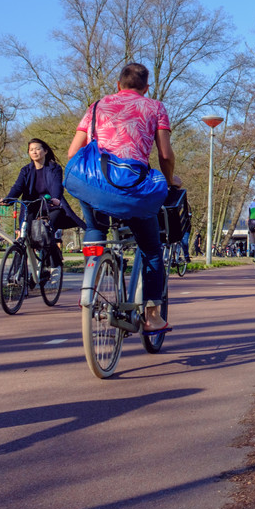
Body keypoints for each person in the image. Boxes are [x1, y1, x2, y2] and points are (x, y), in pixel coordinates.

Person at [67, 63, 175, 334]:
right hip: (132, 190)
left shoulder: (96, 106)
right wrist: (171, 180)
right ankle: (152, 316)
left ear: (118, 84)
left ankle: (89, 287)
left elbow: (72, 152)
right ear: (146, 87)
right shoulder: (155, 107)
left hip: (93, 183)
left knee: (95, 229)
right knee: (151, 249)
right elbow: (164, 154)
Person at [0, 138, 84, 275]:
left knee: (46, 231)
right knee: (23, 237)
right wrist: (9, 198)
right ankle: (17, 275)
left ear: (45, 151)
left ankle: (53, 264)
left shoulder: (54, 168)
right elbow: (17, 187)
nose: (34, 152)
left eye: (37, 149)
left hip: (51, 206)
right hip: (31, 207)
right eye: (31, 150)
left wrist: (56, 199)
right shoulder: (26, 170)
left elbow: (57, 186)